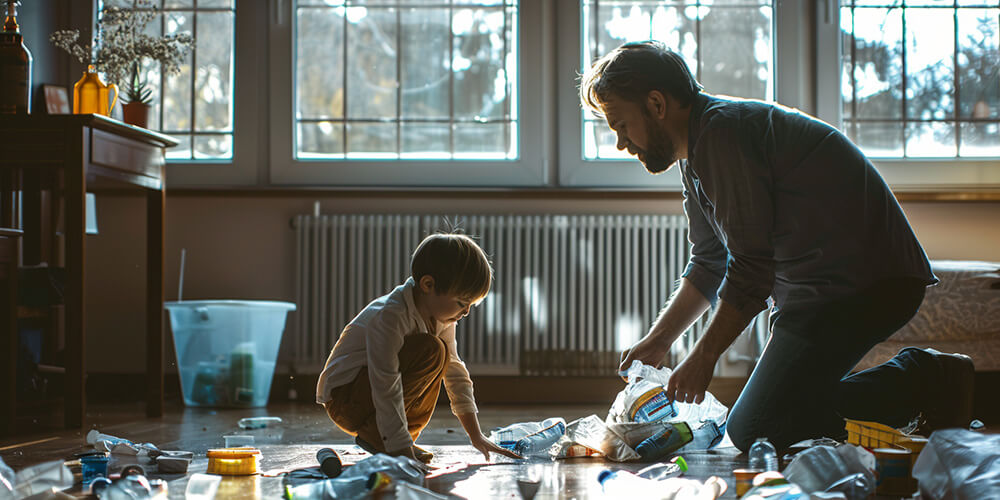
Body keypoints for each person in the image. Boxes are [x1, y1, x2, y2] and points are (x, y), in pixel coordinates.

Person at [579, 41, 975, 451]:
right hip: (822, 292)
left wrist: (702, 357)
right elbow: (709, 262)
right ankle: (922, 385)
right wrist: (659, 341)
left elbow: (751, 269)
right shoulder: (695, 153)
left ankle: (927, 377)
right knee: (765, 424)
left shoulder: (722, 134)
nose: (621, 144)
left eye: (621, 126)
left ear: (657, 104)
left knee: (757, 430)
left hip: (866, 284)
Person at [316, 232, 520, 463]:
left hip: (369, 398)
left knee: (443, 357)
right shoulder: (391, 316)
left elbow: (456, 374)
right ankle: (382, 438)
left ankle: (393, 438)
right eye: (462, 303)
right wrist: (399, 448)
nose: (466, 313)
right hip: (345, 399)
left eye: (471, 305)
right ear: (428, 285)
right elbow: (385, 382)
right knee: (432, 350)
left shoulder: (441, 318)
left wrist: (476, 436)